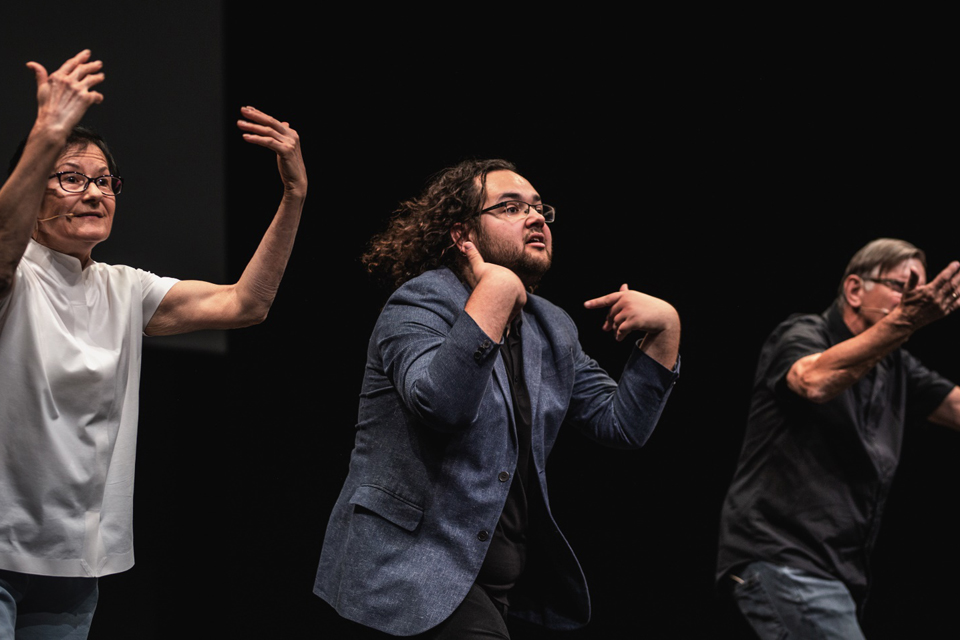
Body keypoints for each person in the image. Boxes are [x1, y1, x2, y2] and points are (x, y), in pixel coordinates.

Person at [0, 50, 306, 638]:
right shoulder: (17, 274)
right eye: (70, 178)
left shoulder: (124, 288)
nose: (93, 193)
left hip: (72, 562)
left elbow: (246, 303)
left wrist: (293, 195)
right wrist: (47, 134)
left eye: (103, 181)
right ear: (34, 191)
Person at [313, 159, 681, 638]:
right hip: (406, 575)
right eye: (511, 207)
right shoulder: (419, 302)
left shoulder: (551, 327)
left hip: (494, 586)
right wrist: (498, 290)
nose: (535, 217)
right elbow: (442, 406)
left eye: (540, 208)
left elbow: (621, 425)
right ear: (462, 234)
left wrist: (665, 332)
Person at [716, 238, 960, 639]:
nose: (913, 300)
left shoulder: (898, 367)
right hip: (784, 559)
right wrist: (907, 321)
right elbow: (813, 380)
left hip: (837, 577)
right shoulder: (802, 332)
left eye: (919, 291)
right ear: (854, 289)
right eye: (902, 286)